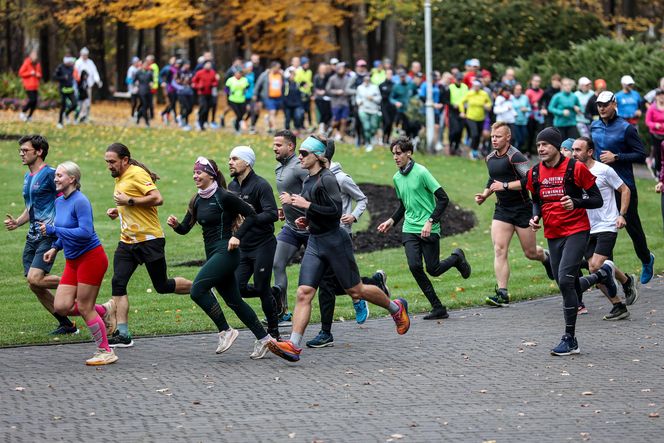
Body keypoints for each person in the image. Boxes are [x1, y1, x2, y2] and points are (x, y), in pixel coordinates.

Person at [267, 136, 410, 363]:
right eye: (300, 154)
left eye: (304, 154)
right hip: (315, 242)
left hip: (335, 241)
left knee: (357, 291)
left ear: (317, 156)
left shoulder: (328, 179)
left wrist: (307, 206)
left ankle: (395, 308)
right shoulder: (308, 181)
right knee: (304, 292)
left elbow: (334, 212)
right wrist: (307, 219)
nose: (300, 158)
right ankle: (293, 344)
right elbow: (317, 212)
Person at [167, 157, 275, 358]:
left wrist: (237, 236)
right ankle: (265, 340)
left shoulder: (224, 196)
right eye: (194, 172)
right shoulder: (197, 199)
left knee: (197, 289)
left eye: (199, 172)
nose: (195, 175)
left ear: (211, 174)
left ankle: (226, 330)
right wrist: (175, 226)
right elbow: (185, 228)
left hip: (227, 253)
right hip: (214, 254)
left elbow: (251, 214)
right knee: (235, 301)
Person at [527, 127, 614, 356]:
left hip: (577, 230)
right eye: (538, 145)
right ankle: (601, 275)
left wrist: (575, 202)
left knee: (566, 282)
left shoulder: (576, 168)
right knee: (563, 282)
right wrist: (535, 217)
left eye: (545, 144)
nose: (541, 149)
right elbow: (536, 201)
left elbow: (596, 199)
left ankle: (570, 339)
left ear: (556, 147)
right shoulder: (535, 173)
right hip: (553, 233)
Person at [104, 143, 192, 347]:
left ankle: (200, 288)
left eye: (112, 162)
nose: (109, 166)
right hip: (127, 241)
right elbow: (130, 202)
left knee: (162, 286)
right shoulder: (120, 176)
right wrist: (118, 210)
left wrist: (129, 202)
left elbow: (157, 198)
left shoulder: (136, 174)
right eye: (107, 162)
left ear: (124, 160)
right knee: (118, 282)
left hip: (150, 240)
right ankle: (123, 334)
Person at [377, 137, 472, 319]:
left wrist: (430, 221)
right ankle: (438, 307)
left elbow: (443, 199)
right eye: (393, 154)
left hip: (429, 227)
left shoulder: (422, 172)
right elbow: (404, 205)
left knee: (433, 269)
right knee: (414, 266)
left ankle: (457, 257)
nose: (395, 157)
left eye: (398, 153)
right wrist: (391, 220)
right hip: (410, 228)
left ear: (408, 153)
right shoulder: (397, 178)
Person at [40, 161, 117, 365]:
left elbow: (85, 232)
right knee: (61, 306)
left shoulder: (80, 201)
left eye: (60, 176)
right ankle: (105, 310)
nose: (55, 179)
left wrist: (54, 231)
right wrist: (55, 248)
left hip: (91, 258)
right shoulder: (59, 201)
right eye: (55, 175)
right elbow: (65, 229)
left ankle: (105, 350)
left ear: (72, 179)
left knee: (84, 307)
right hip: (72, 261)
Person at [306, 160, 390, 348]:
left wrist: (353, 216)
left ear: (323, 159)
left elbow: (362, 199)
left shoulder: (341, 178)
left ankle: (326, 332)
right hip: (322, 236)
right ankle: (374, 282)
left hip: (341, 235)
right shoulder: (315, 178)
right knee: (330, 284)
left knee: (329, 284)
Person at [4, 135, 77, 335]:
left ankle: (79, 284)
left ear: (39, 152)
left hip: (48, 234)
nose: (21, 153)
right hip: (32, 236)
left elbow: (72, 195)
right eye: (20, 150)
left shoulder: (52, 174)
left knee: (36, 279)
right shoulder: (28, 177)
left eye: (25, 150)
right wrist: (17, 222)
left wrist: (59, 223)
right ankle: (67, 324)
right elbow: (32, 208)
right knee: (34, 284)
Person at [474, 122, 553, 307]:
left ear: (508, 137)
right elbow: (493, 178)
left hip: (522, 209)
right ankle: (502, 293)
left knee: (530, 253)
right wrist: (485, 194)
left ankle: (545, 257)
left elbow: (530, 179)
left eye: (498, 136)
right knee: (499, 249)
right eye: (493, 136)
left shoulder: (515, 156)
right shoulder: (490, 158)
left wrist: (506, 186)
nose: (494, 139)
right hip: (502, 210)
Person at [590, 91, 654, 284]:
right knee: (604, 229)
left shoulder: (626, 128)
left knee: (632, 227)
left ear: (614, 104)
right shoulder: (594, 126)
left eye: (605, 104)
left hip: (624, 185)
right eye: (599, 105)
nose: (601, 108)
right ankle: (607, 274)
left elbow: (641, 155)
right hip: (602, 186)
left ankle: (646, 258)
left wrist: (616, 157)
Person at [571, 137, 639, 320]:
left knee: (595, 266)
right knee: (595, 269)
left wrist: (621, 215)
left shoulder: (604, 170)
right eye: (573, 150)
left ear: (590, 152)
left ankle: (624, 285)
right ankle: (619, 302)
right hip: (586, 227)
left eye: (578, 150)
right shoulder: (573, 172)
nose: (574, 153)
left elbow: (625, 190)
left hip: (607, 224)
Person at [226, 146, 281, 342]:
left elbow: (272, 214)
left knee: (261, 286)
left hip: (263, 244)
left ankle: (274, 333)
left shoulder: (260, 185)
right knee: (237, 289)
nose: (230, 162)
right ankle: (276, 293)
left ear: (247, 162)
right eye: (229, 159)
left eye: (234, 159)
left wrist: (250, 218)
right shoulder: (231, 187)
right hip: (243, 246)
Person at [271, 130, 310, 324]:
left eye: (278, 145)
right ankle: (283, 312)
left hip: (313, 229)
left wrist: (292, 201)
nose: (274, 148)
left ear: (290, 146)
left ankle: (367, 289)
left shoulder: (299, 166)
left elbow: (314, 190)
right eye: (274, 144)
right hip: (291, 228)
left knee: (331, 274)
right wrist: (284, 208)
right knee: (277, 263)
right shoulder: (280, 168)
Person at [459, 80, 492, 159]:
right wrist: (462, 112)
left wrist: (487, 105)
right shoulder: (469, 93)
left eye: (478, 86)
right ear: (473, 86)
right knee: (474, 134)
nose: (476, 88)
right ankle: (472, 151)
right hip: (471, 117)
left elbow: (489, 103)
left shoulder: (483, 94)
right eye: (475, 86)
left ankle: (475, 151)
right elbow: (461, 102)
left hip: (481, 118)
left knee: (478, 136)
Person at [254, 61, 284, 134]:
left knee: (275, 113)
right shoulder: (265, 75)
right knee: (272, 112)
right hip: (268, 97)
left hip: (278, 97)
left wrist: (283, 75)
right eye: (278, 68)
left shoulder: (280, 75)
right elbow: (258, 84)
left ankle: (269, 122)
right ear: (273, 67)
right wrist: (255, 94)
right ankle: (274, 128)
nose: (279, 69)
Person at [326, 62, 353, 141]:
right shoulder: (332, 78)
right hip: (336, 103)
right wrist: (336, 91)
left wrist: (348, 93)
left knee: (344, 121)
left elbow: (350, 89)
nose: (341, 70)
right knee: (336, 121)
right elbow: (327, 90)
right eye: (340, 68)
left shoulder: (348, 79)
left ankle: (341, 136)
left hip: (345, 102)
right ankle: (329, 131)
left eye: (343, 69)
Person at [73, 47, 102, 122]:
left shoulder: (90, 62)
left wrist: (97, 81)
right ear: (81, 54)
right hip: (80, 86)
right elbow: (76, 74)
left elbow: (94, 72)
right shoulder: (78, 62)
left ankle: (86, 116)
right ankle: (80, 116)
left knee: (88, 102)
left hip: (88, 85)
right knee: (81, 102)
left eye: (86, 55)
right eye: (84, 55)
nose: (85, 56)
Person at [356, 74, 382, 151]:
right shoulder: (360, 87)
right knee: (366, 127)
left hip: (373, 110)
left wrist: (373, 98)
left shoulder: (375, 87)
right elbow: (358, 97)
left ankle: (372, 138)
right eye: (365, 79)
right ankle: (368, 143)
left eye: (368, 79)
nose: (367, 81)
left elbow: (379, 98)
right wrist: (359, 102)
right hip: (363, 109)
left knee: (373, 127)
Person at [192, 61, 218, 130]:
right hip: (201, 93)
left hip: (209, 94)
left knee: (207, 109)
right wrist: (199, 86)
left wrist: (214, 84)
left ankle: (203, 123)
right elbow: (194, 82)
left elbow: (215, 81)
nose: (208, 66)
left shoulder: (212, 72)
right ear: (204, 65)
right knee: (204, 107)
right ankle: (199, 121)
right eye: (207, 64)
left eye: (210, 65)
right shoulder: (199, 73)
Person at [645, 89, 664, 181]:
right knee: (658, 154)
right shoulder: (652, 108)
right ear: (656, 97)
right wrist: (655, 125)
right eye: (660, 95)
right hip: (655, 134)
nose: (662, 97)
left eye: (663, 95)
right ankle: (658, 171)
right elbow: (648, 122)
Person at [53, 56, 77, 129]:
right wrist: (63, 77)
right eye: (69, 62)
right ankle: (60, 122)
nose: (70, 63)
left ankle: (66, 114)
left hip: (70, 89)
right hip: (63, 89)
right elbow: (54, 77)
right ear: (65, 62)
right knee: (63, 106)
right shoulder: (60, 67)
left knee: (74, 104)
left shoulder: (71, 68)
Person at [18, 49, 42, 122]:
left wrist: (38, 75)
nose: (35, 57)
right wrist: (30, 73)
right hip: (28, 85)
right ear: (30, 56)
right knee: (32, 100)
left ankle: (30, 116)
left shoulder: (37, 64)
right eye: (34, 55)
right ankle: (23, 112)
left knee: (35, 102)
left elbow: (40, 74)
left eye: (36, 55)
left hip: (35, 85)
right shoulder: (26, 63)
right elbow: (20, 73)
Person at [448, 72, 469, 155]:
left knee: (460, 130)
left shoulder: (465, 87)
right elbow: (447, 100)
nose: (459, 81)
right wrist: (453, 105)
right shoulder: (451, 87)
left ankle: (456, 146)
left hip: (462, 111)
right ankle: (451, 144)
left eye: (461, 79)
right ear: (455, 79)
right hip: (453, 111)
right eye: (458, 79)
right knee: (454, 130)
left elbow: (467, 98)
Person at [225, 68, 249, 134]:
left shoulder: (244, 80)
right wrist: (229, 92)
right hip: (233, 99)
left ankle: (235, 122)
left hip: (242, 99)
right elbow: (226, 89)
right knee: (238, 115)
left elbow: (247, 87)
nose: (238, 75)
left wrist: (245, 91)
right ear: (235, 74)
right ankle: (237, 129)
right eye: (237, 73)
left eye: (240, 74)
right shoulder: (230, 80)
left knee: (242, 113)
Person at [511, 83, 531, 153]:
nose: (518, 91)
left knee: (523, 139)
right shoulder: (511, 98)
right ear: (513, 90)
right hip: (514, 121)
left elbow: (529, 108)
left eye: (520, 89)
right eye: (517, 89)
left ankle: (516, 152)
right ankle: (515, 153)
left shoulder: (525, 98)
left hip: (524, 122)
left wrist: (526, 110)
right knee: (517, 139)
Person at [133, 61, 153, 127]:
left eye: (147, 65)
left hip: (148, 91)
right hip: (141, 92)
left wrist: (151, 84)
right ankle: (147, 122)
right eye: (144, 65)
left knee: (146, 106)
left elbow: (151, 81)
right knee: (144, 105)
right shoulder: (138, 72)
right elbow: (134, 81)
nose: (145, 66)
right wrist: (136, 86)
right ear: (142, 66)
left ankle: (138, 117)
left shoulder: (150, 73)